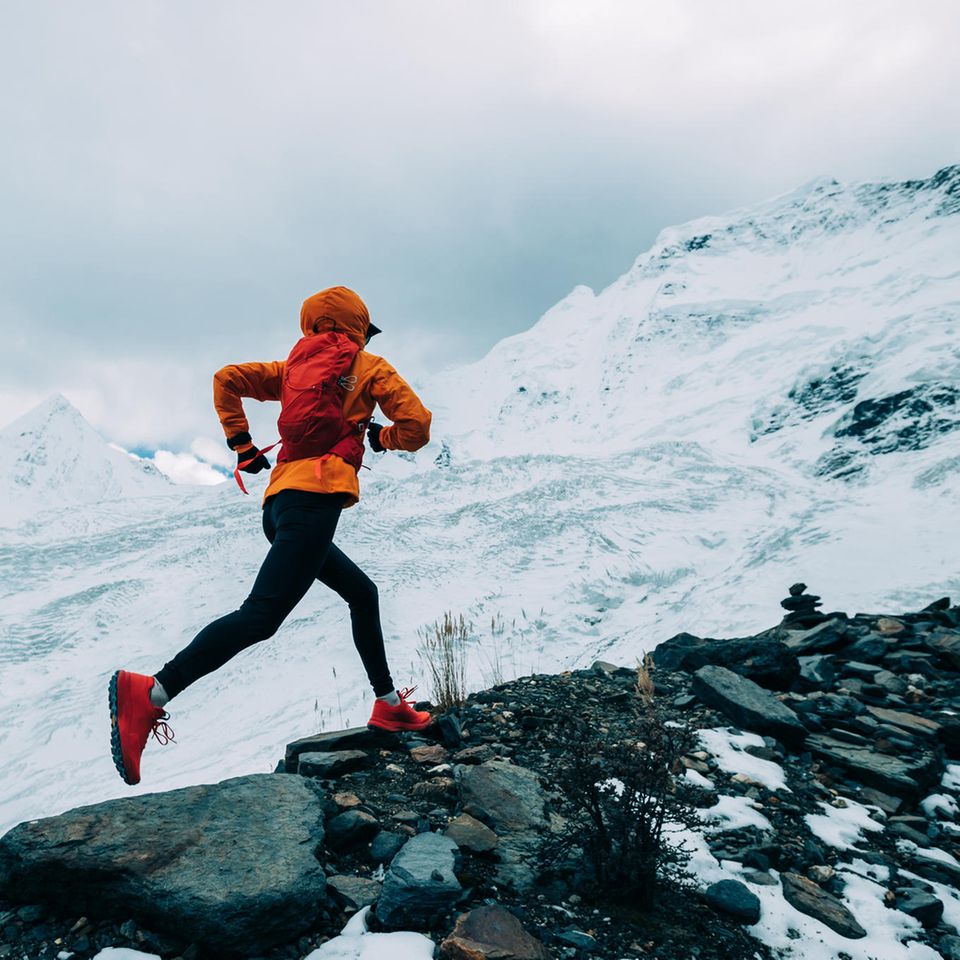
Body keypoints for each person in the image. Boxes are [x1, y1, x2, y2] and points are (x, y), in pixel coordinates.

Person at [109, 286, 434, 786]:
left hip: (279, 505)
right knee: (260, 617)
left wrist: (242, 446)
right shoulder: (370, 368)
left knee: (362, 594)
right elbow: (417, 426)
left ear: (311, 326)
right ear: (357, 328)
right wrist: (381, 437)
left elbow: (226, 379)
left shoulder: (290, 370)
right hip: (314, 505)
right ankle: (151, 692)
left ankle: (388, 705)